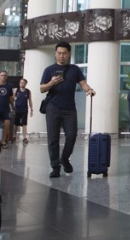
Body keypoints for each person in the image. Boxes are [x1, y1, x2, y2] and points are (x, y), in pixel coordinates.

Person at [39, 41, 96, 177]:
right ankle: (55, 167)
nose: (61, 56)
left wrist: (89, 90)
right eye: (59, 53)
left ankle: (64, 158)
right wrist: (52, 82)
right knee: (53, 138)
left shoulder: (74, 69)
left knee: (71, 135)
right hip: (53, 106)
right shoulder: (49, 70)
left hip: (70, 108)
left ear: (69, 54)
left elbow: (83, 84)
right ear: (55, 53)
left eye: (64, 53)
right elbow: (41, 88)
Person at [12, 77, 33, 144]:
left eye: (23, 82)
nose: (21, 84)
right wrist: (12, 108)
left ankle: (24, 137)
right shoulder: (16, 90)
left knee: (24, 124)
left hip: (24, 109)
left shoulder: (28, 91)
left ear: (25, 84)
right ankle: (14, 136)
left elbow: (30, 100)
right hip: (17, 109)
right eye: (20, 82)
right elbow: (12, 99)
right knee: (16, 123)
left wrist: (31, 109)